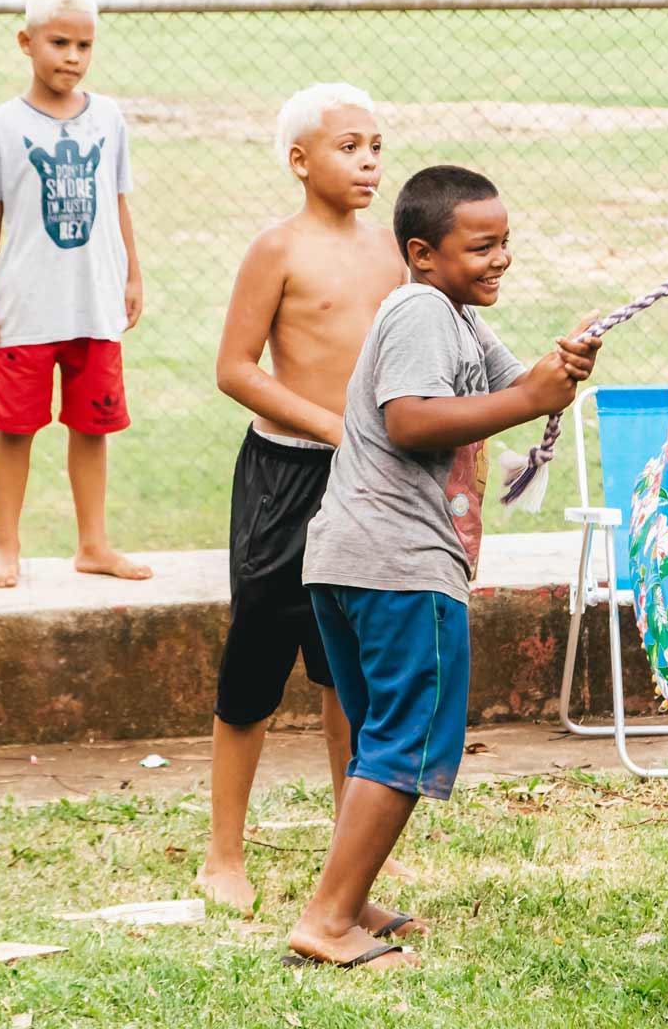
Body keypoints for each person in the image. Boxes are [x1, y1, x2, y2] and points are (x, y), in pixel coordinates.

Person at [285, 165, 600, 970]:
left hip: (350, 559)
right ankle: (327, 922)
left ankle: (350, 900)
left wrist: (558, 372)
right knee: (406, 743)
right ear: (423, 253)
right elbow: (412, 421)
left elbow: (516, 389)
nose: (501, 258)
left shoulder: (454, 317)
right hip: (400, 562)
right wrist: (531, 400)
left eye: (505, 243)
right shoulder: (422, 309)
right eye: (482, 246)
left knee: (379, 741)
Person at [199, 84, 406, 918]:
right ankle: (223, 855)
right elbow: (235, 369)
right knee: (254, 662)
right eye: (348, 147)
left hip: (368, 481)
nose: (368, 162)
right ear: (299, 161)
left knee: (346, 672)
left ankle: (347, 874)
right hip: (285, 480)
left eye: (376, 147)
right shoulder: (277, 249)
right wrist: (331, 425)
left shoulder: (393, 251)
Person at [0, 0, 150, 589]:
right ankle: (5, 548)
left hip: (93, 304)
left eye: (84, 45)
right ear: (27, 43)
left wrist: (131, 273)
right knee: (14, 428)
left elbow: (118, 200)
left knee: (93, 427)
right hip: (24, 307)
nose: (72, 57)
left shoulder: (109, 118)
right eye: (59, 43)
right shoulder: (2, 124)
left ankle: (94, 544)